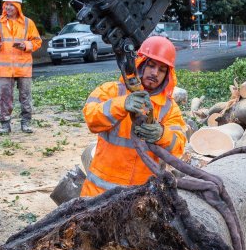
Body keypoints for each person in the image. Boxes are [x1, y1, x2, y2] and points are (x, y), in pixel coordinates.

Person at [80, 35, 187, 197]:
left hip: (141, 198)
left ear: (168, 75)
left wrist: (161, 134)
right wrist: (122, 104)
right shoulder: (112, 91)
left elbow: (178, 146)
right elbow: (91, 118)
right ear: (140, 63)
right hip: (100, 193)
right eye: (151, 66)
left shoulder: (169, 108)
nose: (155, 73)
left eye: (162, 69)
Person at [0, 0, 42, 134]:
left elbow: (37, 42)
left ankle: (26, 123)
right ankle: (5, 125)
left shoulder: (27, 23)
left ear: (18, 6)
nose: (8, 8)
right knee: (5, 96)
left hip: (23, 67)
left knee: (25, 96)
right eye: (6, 5)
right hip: (5, 69)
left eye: (11, 5)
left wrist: (25, 45)